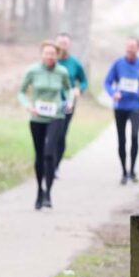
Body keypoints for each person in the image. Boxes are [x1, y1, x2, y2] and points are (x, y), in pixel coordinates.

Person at [18, 40, 73, 210]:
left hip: (56, 116)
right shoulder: (33, 71)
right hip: (37, 118)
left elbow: (68, 89)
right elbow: (21, 91)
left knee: (49, 153)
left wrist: (69, 101)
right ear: (42, 54)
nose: (49, 56)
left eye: (53, 54)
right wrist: (27, 105)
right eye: (46, 53)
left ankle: (48, 192)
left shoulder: (62, 72)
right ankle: (39, 191)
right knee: (39, 155)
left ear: (57, 55)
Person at [104, 37, 139, 184]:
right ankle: (124, 172)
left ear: (138, 48)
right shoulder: (118, 64)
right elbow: (107, 82)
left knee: (134, 136)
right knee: (122, 139)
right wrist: (114, 94)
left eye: (133, 47)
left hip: (136, 105)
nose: (130, 49)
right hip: (120, 106)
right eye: (128, 47)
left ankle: (132, 170)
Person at [52, 32, 88, 175]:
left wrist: (79, 89)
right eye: (60, 43)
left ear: (70, 45)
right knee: (50, 133)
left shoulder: (74, 63)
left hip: (67, 102)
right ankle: (48, 160)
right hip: (50, 102)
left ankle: (56, 166)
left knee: (61, 134)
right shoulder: (51, 60)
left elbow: (84, 81)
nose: (62, 46)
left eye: (65, 43)